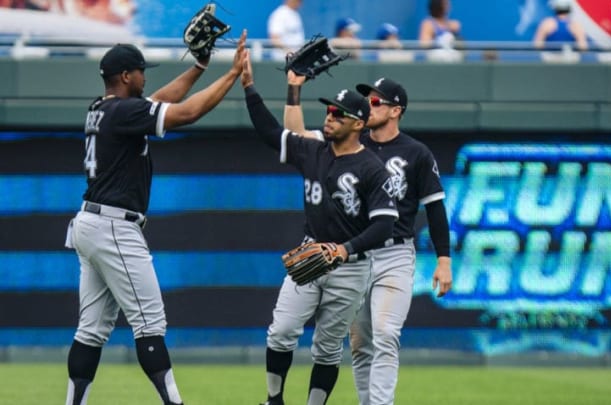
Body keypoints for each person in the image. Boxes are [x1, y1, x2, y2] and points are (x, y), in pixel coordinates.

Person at [63, 31, 248, 405]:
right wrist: (231, 75)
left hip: (90, 223)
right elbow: (189, 112)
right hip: (114, 225)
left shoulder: (102, 108)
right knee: (150, 323)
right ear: (127, 76)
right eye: (141, 72)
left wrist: (199, 67)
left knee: (91, 330)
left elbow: (161, 100)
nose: (145, 78)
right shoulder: (125, 112)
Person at [240, 50, 399, 405]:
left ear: (358, 124)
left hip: (350, 266)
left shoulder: (372, 168)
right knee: (281, 331)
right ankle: (274, 400)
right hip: (311, 254)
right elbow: (269, 132)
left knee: (327, 348)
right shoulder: (312, 150)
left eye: (338, 114)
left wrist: (343, 250)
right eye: (328, 110)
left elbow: (385, 226)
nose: (329, 117)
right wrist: (250, 85)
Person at [283, 72, 453, 405]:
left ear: (396, 110)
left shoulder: (416, 152)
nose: (369, 106)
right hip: (356, 257)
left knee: (387, 334)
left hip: (394, 254)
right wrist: (294, 89)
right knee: (361, 342)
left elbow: (434, 207)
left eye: (377, 101)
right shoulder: (346, 141)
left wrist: (444, 259)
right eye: (367, 100)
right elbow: (296, 135)